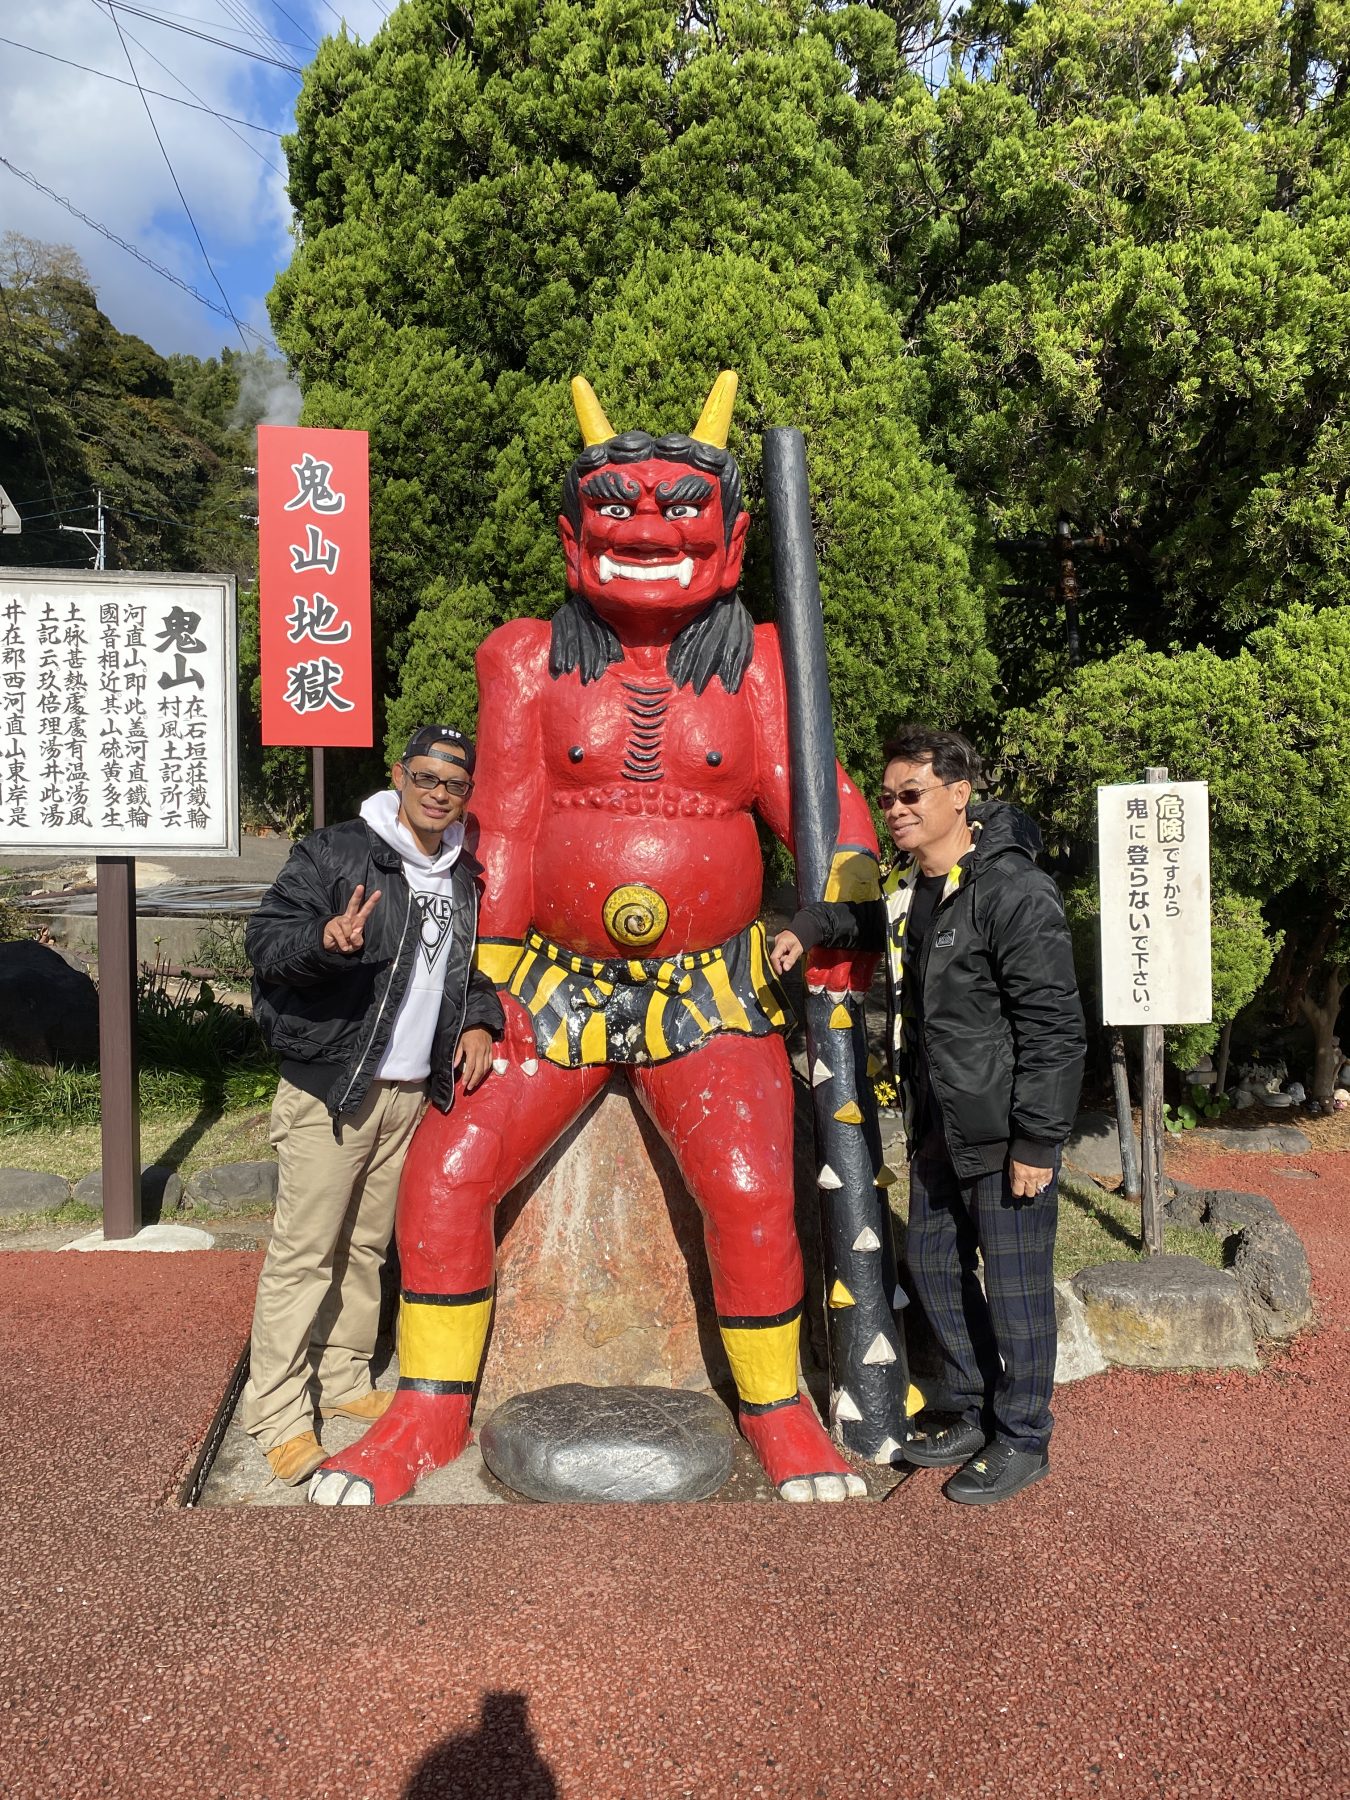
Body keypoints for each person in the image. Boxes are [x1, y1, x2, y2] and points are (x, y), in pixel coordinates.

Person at [307, 372, 882, 1508]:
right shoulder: (526, 660)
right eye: (618, 505)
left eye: (682, 507)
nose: (649, 529)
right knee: (446, 1172)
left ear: (732, 537)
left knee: (753, 1189)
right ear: (574, 535)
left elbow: (829, 814)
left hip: (706, 994)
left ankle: (776, 1408)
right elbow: (508, 830)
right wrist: (480, 995)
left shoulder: (764, 665)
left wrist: (833, 922)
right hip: (554, 987)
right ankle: (428, 1407)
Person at [771, 726, 1084, 1505]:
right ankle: (974, 1409)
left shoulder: (1013, 890)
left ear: (959, 794)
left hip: (1004, 1134)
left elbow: (1053, 1027)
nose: (896, 810)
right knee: (936, 1269)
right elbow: (865, 924)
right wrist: (806, 928)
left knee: (1016, 1291)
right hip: (938, 1128)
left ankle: (1024, 1438)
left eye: (911, 794)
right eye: (888, 798)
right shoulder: (916, 890)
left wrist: (1038, 1140)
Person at [240, 726, 504, 1484]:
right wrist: (325, 940)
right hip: (333, 1087)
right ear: (399, 775)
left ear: (466, 794)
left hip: (408, 1093)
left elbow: (457, 971)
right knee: (303, 1254)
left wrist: (479, 1018)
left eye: (454, 784)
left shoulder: (461, 873)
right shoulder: (338, 851)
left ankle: (345, 1376)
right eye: (425, 777)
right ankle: (277, 1412)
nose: (438, 793)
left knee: (364, 1247)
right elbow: (265, 941)